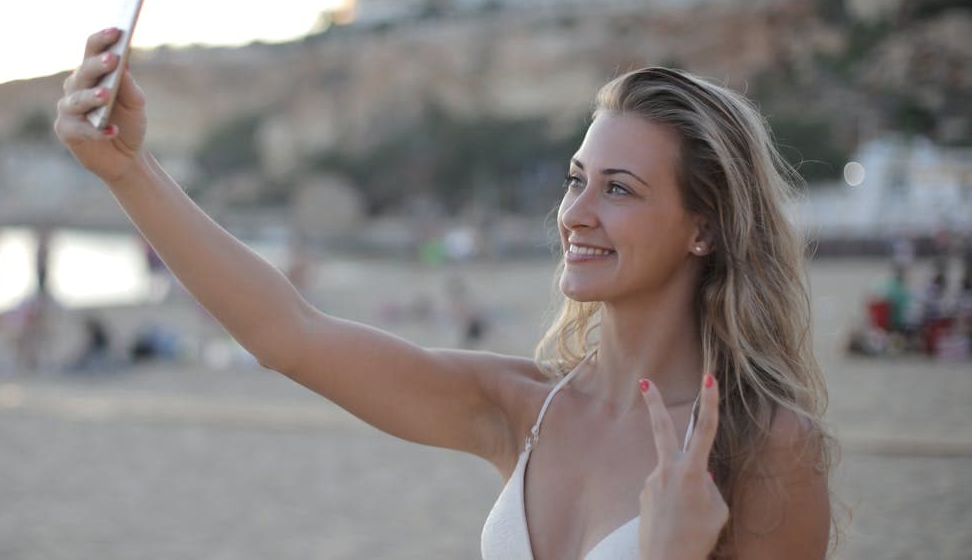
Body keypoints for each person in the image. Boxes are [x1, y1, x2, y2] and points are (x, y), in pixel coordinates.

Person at [55, 29, 835, 558]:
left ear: (704, 227)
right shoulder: (522, 407)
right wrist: (129, 170)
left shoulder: (764, 448)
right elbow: (288, 333)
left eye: (619, 189)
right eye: (575, 180)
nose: (576, 214)